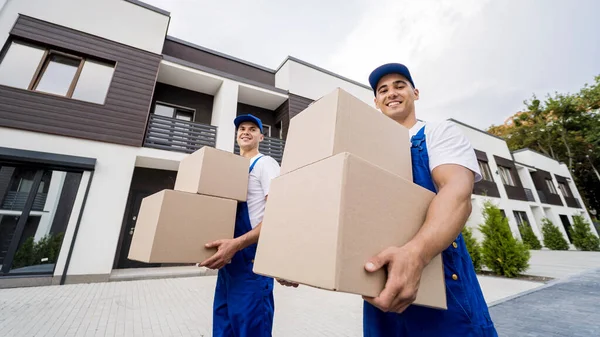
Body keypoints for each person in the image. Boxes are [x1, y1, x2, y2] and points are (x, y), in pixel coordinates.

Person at [361, 63, 498, 336]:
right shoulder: (367, 152)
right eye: (383, 90)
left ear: (416, 93)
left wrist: (415, 254)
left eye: (400, 85)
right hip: (380, 289)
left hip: (441, 281)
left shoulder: (438, 133)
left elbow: (457, 193)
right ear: (375, 102)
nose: (392, 93)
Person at [199, 114, 281, 337]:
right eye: (242, 128)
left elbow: (279, 215)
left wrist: (237, 244)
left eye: (252, 129)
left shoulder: (265, 164)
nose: (246, 131)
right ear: (236, 135)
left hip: (251, 264)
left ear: (261, 137)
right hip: (229, 266)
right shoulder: (231, 170)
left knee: (250, 329)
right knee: (224, 329)